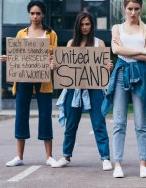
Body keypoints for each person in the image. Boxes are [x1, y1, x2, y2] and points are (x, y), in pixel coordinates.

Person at [101, 0, 146, 178]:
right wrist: (141, 51)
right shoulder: (116, 28)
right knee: (119, 121)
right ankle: (117, 164)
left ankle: (143, 164)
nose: (133, 12)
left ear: (141, 9)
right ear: (125, 9)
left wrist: (132, 53)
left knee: (141, 122)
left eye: (136, 9)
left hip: (140, 75)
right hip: (120, 74)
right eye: (130, 9)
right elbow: (116, 51)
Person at [50, 12, 113, 171]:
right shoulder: (71, 43)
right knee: (71, 124)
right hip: (74, 89)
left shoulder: (99, 43)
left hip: (95, 88)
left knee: (99, 123)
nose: (85, 27)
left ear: (92, 26)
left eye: (88, 24)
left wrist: (108, 68)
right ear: (78, 26)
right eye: (82, 24)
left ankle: (105, 158)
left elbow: (105, 68)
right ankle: (66, 155)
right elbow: (63, 65)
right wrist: (55, 67)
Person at [0, 0, 58, 167]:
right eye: (32, 13)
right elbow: (17, 56)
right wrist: (8, 59)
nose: (35, 16)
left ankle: (49, 157)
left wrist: (53, 64)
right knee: (21, 115)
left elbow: (55, 58)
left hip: (44, 79)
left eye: (38, 13)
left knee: (45, 115)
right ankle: (19, 156)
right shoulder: (21, 34)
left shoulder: (51, 34)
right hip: (23, 78)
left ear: (43, 15)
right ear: (29, 14)